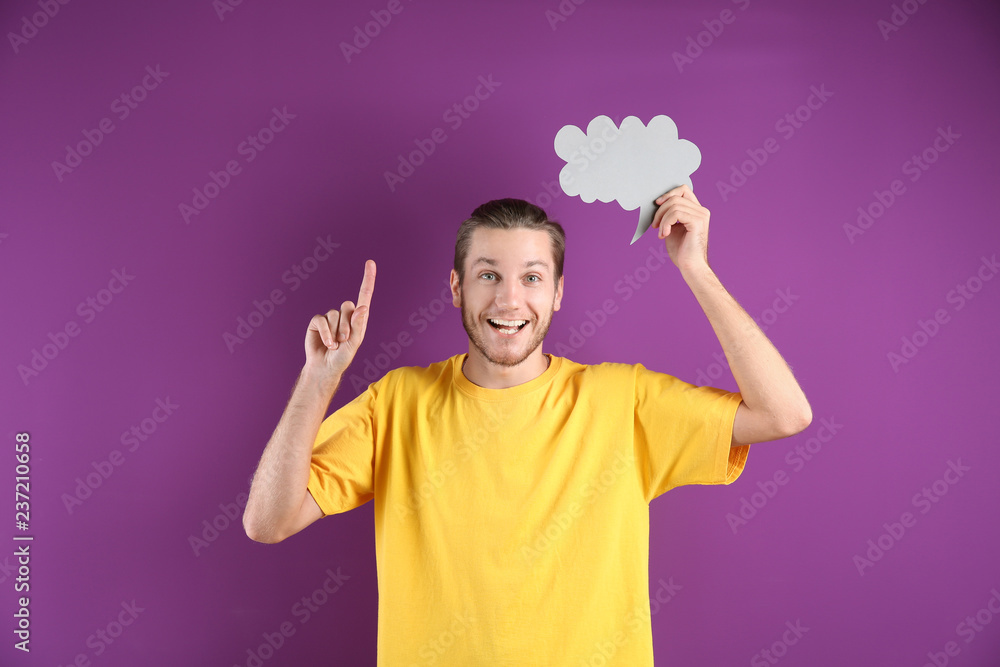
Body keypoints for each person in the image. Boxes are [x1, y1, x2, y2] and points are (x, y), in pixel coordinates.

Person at [243, 184, 812, 666]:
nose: (510, 298)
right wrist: (319, 379)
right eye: (488, 274)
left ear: (559, 293)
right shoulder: (396, 403)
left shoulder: (623, 399)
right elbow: (267, 522)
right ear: (456, 288)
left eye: (532, 278)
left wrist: (697, 269)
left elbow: (784, 414)